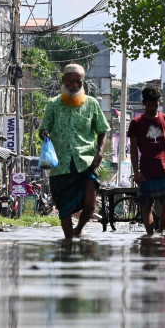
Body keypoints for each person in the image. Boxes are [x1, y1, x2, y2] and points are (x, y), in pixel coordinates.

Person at [39, 63, 110, 240]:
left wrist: (99, 153)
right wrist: (45, 134)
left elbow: (102, 130)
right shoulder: (53, 104)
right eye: (71, 81)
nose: (75, 85)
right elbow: (43, 128)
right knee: (64, 208)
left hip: (85, 162)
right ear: (64, 81)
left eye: (79, 82)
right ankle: (68, 243)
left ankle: (78, 229)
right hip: (60, 165)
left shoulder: (92, 104)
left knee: (91, 206)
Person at [128, 85, 165, 236]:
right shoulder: (136, 123)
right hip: (146, 171)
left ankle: (160, 232)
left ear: (159, 103)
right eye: (149, 105)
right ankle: (150, 236)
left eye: (155, 105)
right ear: (144, 104)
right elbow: (133, 149)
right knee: (146, 205)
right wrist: (136, 171)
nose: (152, 108)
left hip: (164, 170)